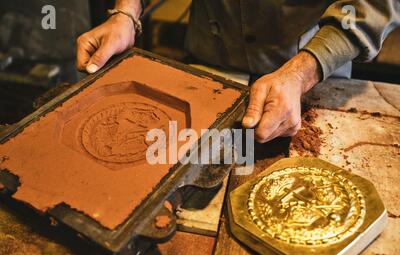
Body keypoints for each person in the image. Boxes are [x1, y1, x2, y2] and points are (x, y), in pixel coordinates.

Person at [76, 0, 400, 143]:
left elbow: (373, 4)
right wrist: (126, 13)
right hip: (208, 58)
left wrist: (301, 73)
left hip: (313, 67)